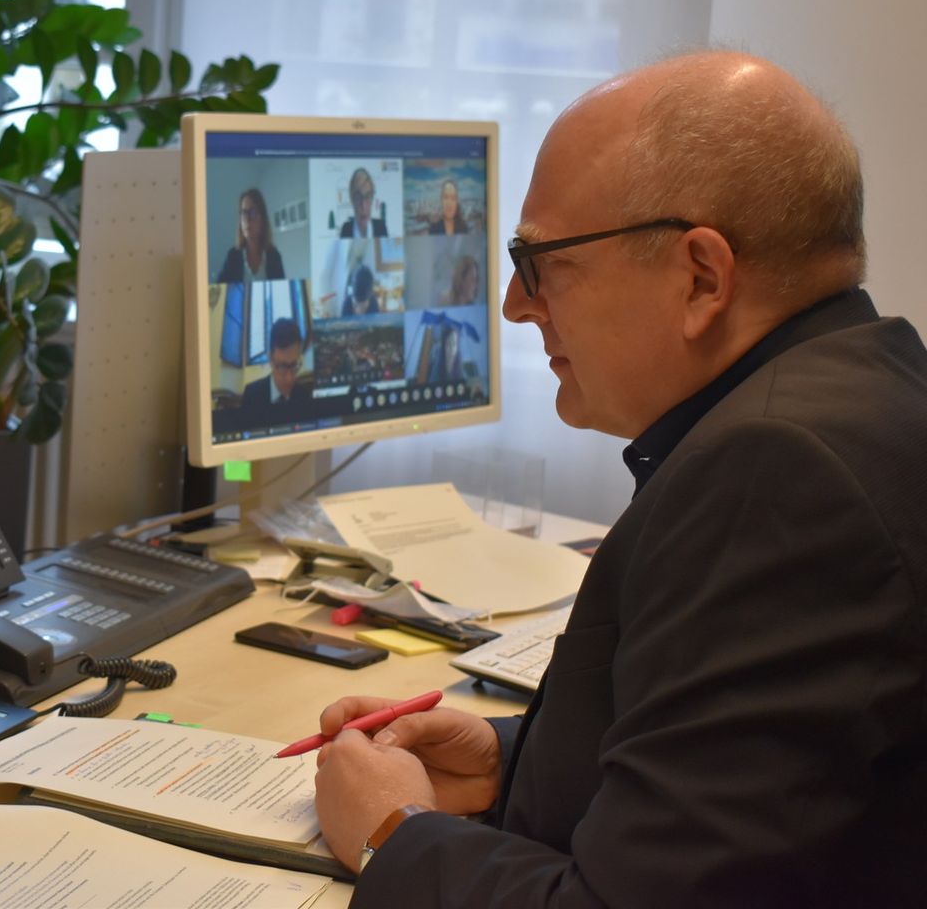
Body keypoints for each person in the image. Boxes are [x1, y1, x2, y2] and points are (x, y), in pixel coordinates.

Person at [311, 50, 927, 907]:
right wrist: (510, 757)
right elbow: (759, 773)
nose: (515, 307)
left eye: (542, 262)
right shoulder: (868, 382)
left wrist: (394, 837)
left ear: (701, 278)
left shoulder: (777, 473)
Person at [219, 188, 285, 283]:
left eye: (252, 213)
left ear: (262, 219)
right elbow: (220, 292)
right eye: (243, 213)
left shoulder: (274, 257)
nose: (247, 219)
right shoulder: (232, 256)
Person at [241, 318, 307, 411]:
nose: (289, 378)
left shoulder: (304, 396)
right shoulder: (251, 395)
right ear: (270, 358)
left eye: (294, 365)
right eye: (282, 366)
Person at [340, 168, 388, 238]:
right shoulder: (345, 230)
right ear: (351, 199)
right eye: (358, 197)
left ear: (372, 198)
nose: (363, 205)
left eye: (367, 196)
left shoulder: (381, 228)